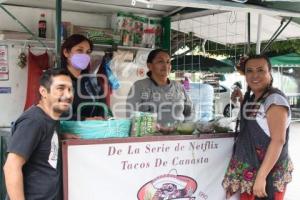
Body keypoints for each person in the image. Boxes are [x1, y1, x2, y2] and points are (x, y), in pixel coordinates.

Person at [222, 55, 293, 200]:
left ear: (269, 73)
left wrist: (261, 177)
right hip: (251, 170)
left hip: (268, 174)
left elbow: (278, 140)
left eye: (260, 70)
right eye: (249, 71)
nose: (255, 75)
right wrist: (241, 99)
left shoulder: (275, 100)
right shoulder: (254, 97)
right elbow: (255, 120)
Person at [3, 68, 73, 200]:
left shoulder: (51, 119)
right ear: (43, 92)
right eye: (61, 88)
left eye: (70, 89)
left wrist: (61, 137)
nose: (68, 95)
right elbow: (11, 167)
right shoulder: (33, 121)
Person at [126, 49, 194, 125]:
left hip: (178, 135)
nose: (165, 65)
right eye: (160, 61)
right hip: (151, 135)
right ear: (149, 66)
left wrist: (186, 129)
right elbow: (131, 116)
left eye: (168, 62)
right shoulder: (139, 86)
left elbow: (190, 112)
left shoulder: (178, 87)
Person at [61, 34, 109, 121]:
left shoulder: (93, 81)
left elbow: (104, 108)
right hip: (62, 132)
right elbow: (52, 111)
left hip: (92, 132)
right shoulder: (55, 78)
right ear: (66, 52)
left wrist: (102, 118)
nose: (85, 55)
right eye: (79, 50)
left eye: (88, 52)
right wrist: (85, 119)